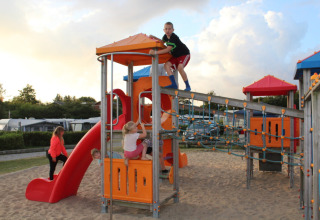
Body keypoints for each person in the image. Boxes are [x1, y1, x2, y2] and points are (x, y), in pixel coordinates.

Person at [149, 21, 191, 91]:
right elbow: (162, 42)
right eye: (166, 29)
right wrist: (154, 37)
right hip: (175, 56)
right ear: (164, 30)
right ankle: (173, 84)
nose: (167, 30)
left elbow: (167, 49)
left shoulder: (173, 37)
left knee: (180, 67)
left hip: (184, 54)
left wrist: (155, 52)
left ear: (173, 30)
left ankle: (187, 86)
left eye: (169, 29)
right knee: (166, 65)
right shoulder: (165, 36)